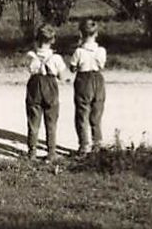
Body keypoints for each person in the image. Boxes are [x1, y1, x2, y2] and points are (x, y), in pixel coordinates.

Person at [23, 24, 68, 162]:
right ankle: (51, 151)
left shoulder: (30, 56)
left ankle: (32, 152)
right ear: (53, 40)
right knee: (51, 120)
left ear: (37, 39)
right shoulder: (56, 58)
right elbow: (61, 76)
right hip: (50, 86)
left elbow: (29, 69)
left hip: (34, 86)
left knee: (33, 121)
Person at [68, 18, 108, 154]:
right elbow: (102, 66)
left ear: (81, 34)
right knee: (97, 112)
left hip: (83, 80)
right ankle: (97, 143)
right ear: (96, 34)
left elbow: (72, 68)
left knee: (82, 113)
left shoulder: (78, 51)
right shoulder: (101, 50)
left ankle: (84, 145)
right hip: (98, 79)